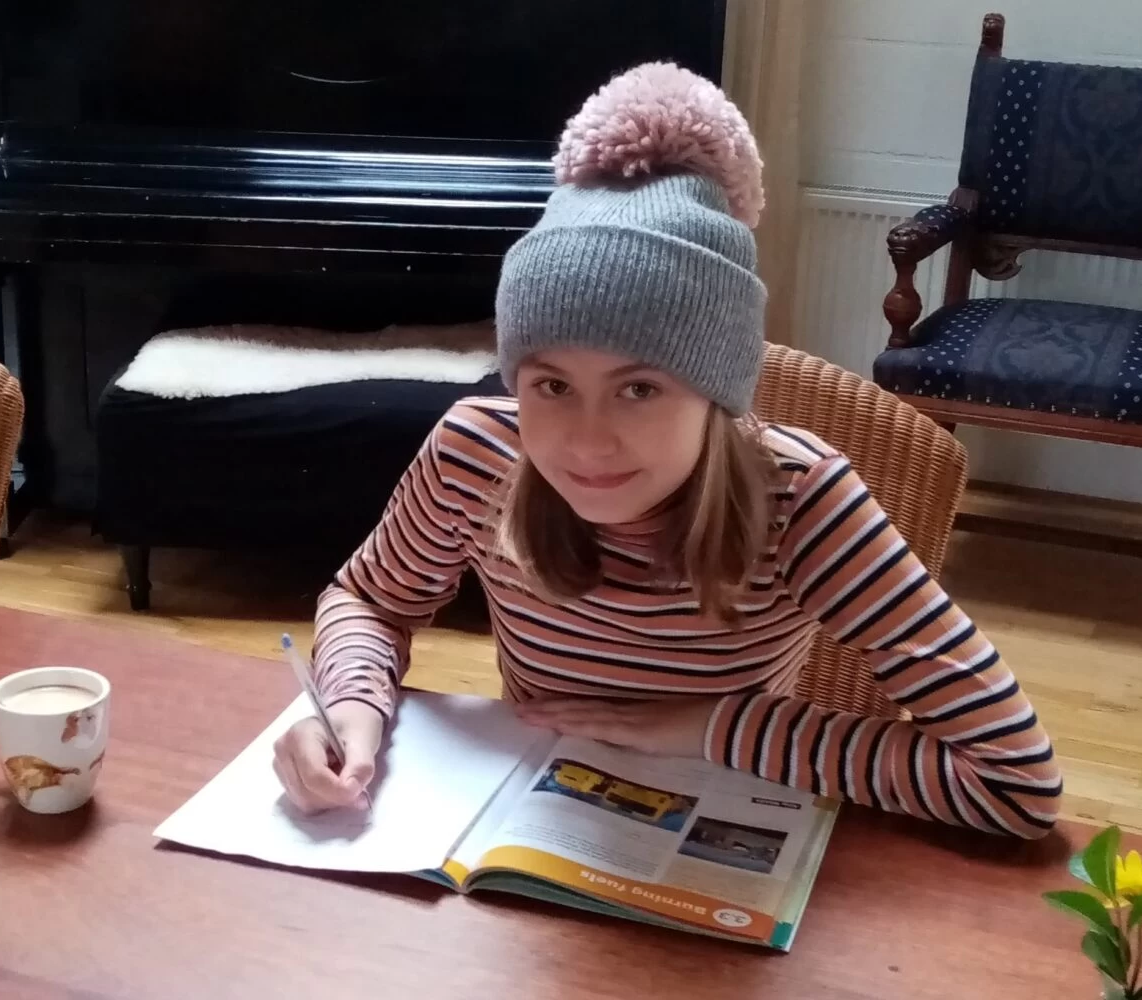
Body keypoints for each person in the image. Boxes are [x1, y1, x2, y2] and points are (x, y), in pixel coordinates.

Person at [271, 63, 1061, 839]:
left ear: (716, 390)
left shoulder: (804, 499)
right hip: (533, 828)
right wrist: (348, 708)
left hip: (720, 836)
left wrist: (707, 728)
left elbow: (1018, 783)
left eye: (639, 389)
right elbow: (370, 600)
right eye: (550, 386)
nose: (585, 439)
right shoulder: (476, 454)